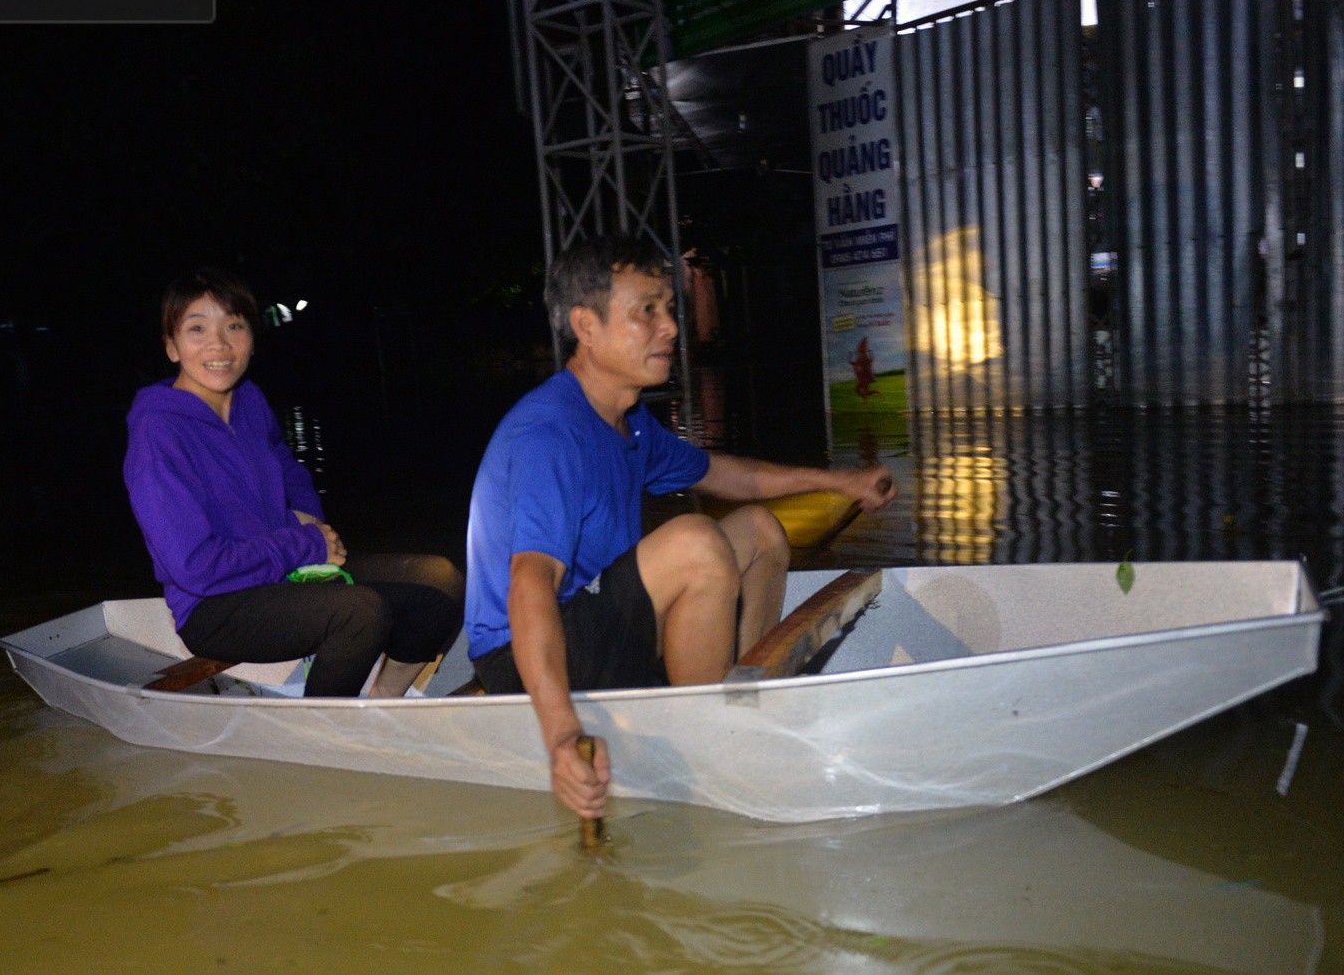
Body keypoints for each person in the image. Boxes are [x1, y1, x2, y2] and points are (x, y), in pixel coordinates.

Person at [464, 235, 896, 819]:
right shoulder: (549, 434)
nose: (670, 327)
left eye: (669, 308)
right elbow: (530, 582)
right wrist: (563, 736)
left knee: (760, 529)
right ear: (585, 326)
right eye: (647, 311)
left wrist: (839, 481)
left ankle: (738, 697)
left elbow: (727, 474)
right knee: (696, 544)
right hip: (524, 657)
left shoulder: (629, 421)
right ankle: (704, 741)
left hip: (592, 626)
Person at [123, 268, 461, 698]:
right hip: (215, 607)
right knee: (360, 613)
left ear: (251, 337)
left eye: (234, 326)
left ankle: (383, 704)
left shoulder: (248, 400)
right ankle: (325, 735)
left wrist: (310, 521)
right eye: (196, 328)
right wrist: (305, 544)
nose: (219, 344)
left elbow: (288, 467)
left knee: (439, 582)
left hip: (283, 575)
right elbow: (195, 567)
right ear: (171, 346)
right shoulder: (159, 433)